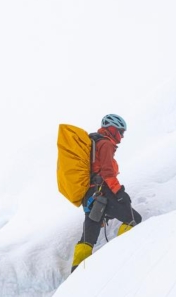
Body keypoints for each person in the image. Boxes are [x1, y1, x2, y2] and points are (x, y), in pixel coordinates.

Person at [70, 114, 143, 273]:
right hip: (103, 194)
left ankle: (76, 274)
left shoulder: (94, 144)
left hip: (90, 197)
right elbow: (108, 174)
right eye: (121, 132)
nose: (122, 137)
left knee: (87, 239)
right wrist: (120, 193)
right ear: (112, 129)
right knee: (133, 219)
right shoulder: (105, 144)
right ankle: (124, 256)